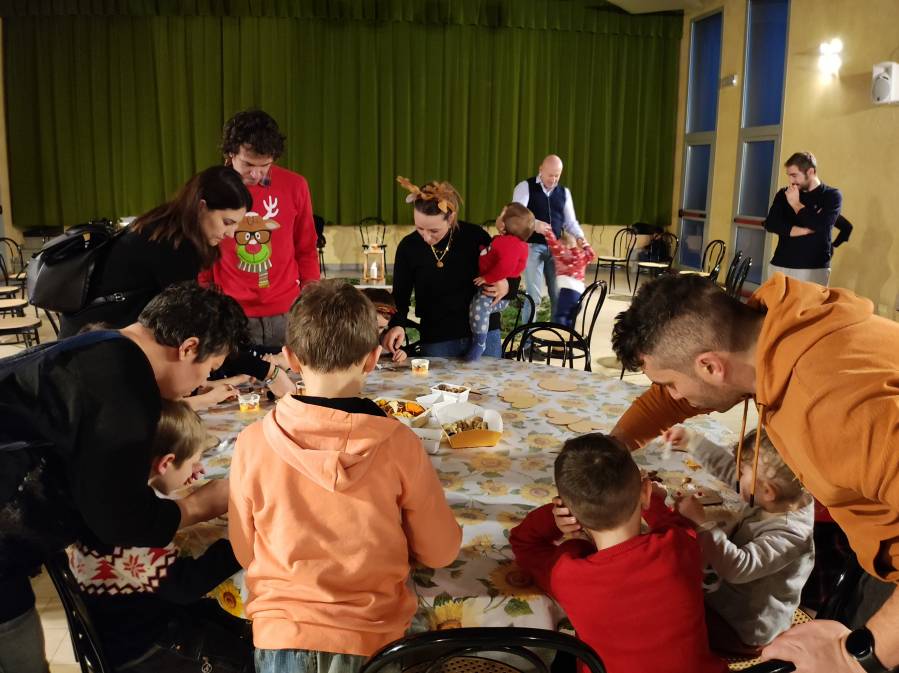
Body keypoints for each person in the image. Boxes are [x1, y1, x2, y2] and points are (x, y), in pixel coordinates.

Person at [598, 273, 899, 673]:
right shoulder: (768, 329)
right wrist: (613, 451)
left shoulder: (835, 409)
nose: (674, 396)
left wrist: (861, 654)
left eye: (670, 384)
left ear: (710, 366)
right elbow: (678, 398)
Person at [0, 282, 246, 673]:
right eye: (208, 369)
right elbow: (120, 522)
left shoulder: (103, 348)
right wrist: (201, 505)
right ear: (188, 348)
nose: (202, 383)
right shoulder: (124, 384)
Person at [228, 280, 461, 673]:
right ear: (372, 359)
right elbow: (440, 552)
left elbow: (245, 552)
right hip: (373, 641)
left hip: (281, 636)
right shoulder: (399, 443)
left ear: (291, 359)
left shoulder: (252, 442)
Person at [57, 165, 293, 396]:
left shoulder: (166, 227)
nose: (231, 234)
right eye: (227, 222)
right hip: (90, 353)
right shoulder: (173, 246)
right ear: (202, 207)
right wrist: (268, 371)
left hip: (93, 343)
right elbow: (197, 327)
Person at [510, 433, 725, 673]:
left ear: (569, 510)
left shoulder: (567, 573)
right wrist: (655, 504)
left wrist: (555, 516)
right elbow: (679, 525)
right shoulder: (678, 545)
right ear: (646, 492)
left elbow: (523, 543)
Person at [68, 399, 253, 673]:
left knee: (237, 627)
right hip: (142, 646)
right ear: (166, 462)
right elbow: (185, 586)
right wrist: (241, 537)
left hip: (133, 620)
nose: (199, 470)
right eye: (193, 462)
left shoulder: (111, 497)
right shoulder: (127, 523)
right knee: (251, 660)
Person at [663, 425, 815, 656]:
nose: (737, 476)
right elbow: (730, 471)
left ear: (768, 492)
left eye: (742, 472)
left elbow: (738, 567)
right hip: (726, 597)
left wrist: (702, 523)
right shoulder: (781, 496)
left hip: (743, 627)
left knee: (666, 610)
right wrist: (691, 441)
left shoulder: (792, 536)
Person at [200, 109, 320, 348]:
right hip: (230, 312)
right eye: (247, 164)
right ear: (231, 152)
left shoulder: (296, 185)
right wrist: (206, 294)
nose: (255, 174)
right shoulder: (210, 187)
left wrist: (310, 294)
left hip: (287, 312)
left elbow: (306, 246)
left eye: (265, 165)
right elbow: (201, 247)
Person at [381, 177, 519, 360]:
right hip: (437, 338)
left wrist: (508, 286)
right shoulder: (408, 247)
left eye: (434, 231)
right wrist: (397, 325)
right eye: (420, 228)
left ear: (451, 218)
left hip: (484, 334)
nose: (426, 237)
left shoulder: (475, 236)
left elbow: (512, 266)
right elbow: (400, 295)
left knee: (488, 380)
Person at [512, 155, 587, 323]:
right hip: (531, 246)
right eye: (550, 175)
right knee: (534, 296)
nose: (553, 179)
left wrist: (580, 237)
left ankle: (557, 334)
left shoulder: (564, 193)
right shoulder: (525, 187)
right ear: (541, 169)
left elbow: (570, 222)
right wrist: (535, 224)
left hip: (556, 249)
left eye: (557, 175)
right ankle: (528, 337)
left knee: (558, 294)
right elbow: (516, 216)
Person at [763, 152, 844, 286]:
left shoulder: (832, 196)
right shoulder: (784, 194)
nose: (791, 181)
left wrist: (796, 205)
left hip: (814, 269)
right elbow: (770, 224)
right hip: (779, 265)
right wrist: (804, 230)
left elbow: (821, 226)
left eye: (794, 175)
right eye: (789, 175)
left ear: (810, 172)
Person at [464, 203, 533, 361]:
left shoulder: (509, 243)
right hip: (491, 290)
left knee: (479, 307)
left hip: (491, 291)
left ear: (504, 225)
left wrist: (489, 278)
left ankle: (480, 342)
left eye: (502, 214)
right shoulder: (507, 241)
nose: (498, 216)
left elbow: (506, 266)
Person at [537, 220, 596, 327]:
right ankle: (569, 334)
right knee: (570, 319)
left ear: (564, 244)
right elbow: (591, 254)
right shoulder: (582, 256)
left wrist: (547, 231)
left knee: (560, 317)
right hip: (579, 296)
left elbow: (553, 244)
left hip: (567, 293)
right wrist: (584, 242)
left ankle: (561, 334)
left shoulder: (563, 254)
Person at [360, 288, 408, 362]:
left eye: (381, 327)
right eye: (370, 326)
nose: (375, 332)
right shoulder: (350, 339)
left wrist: (401, 353)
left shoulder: (384, 338)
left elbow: (397, 350)